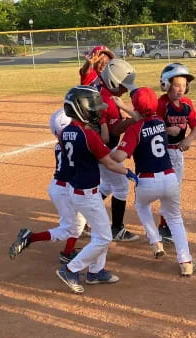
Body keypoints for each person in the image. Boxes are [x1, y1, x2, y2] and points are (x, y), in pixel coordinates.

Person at [54, 85, 138, 294]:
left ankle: (95, 271)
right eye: (93, 108)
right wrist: (127, 172)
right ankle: (70, 269)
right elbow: (109, 163)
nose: (98, 111)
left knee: (100, 233)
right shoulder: (89, 135)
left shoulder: (66, 133)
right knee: (104, 237)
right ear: (82, 109)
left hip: (77, 191)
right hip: (87, 194)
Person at [111, 87, 195, 276]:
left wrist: (102, 153)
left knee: (142, 207)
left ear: (135, 106)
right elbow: (145, 119)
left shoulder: (135, 129)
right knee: (175, 219)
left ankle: (155, 241)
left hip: (147, 181)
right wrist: (125, 108)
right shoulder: (159, 121)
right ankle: (186, 262)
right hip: (169, 178)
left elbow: (119, 157)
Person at [8, 109, 86, 264]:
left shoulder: (60, 144)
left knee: (79, 222)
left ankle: (68, 252)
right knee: (68, 229)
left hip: (59, 187)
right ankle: (31, 237)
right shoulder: (74, 142)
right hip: (64, 190)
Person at [154, 63, 196, 243]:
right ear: (166, 84)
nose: (181, 89)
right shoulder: (161, 104)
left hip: (177, 153)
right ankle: (164, 226)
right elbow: (151, 127)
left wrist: (187, 140)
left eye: (184, 85)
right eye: (176, 85)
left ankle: (166, 224)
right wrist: (166, 130)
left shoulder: (187, 104)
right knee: (167, 190)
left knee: (175, 190)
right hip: (161, 153)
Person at [97, 58, 140, 242]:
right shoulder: (107, 100)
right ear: (114, 82)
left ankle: (80, 217)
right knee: (121, 187)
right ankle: (117, 229)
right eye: (123, 86)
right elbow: (114, 129)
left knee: (107, 185)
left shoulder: (103, 92)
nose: (125, 90)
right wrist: (132, 120)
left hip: (102, 147)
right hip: (105, 150)